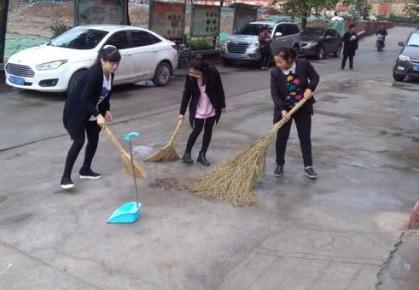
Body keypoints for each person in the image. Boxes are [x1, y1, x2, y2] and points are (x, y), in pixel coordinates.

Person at [61, 45, 121, 189]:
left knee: (94, 138)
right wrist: (97, 115)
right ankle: (65, 177)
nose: (115, 66)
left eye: (117, 63)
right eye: (112, 63)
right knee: (79, 141)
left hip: (91, 110)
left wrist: (106, 110)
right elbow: (84, 99)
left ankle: (85, 169)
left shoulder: (110, 74)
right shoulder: (94, 74)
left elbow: (106, 96)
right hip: (76, 112)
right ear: (103, 61)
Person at [270, 47, 320, 179]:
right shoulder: (275, 73)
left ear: (290, 59)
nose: (278, 65)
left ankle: (308, 166)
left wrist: (310, 88)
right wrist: (282, 109)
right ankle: (279, 164)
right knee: (281, 138)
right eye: (276, 62)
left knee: (304, 137)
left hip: (302, 107)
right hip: (285, 110)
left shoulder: (303, 64)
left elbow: (315, 77)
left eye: (280, 62)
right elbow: (274, 93)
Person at [179, 58, 226, 166]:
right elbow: (186, 94)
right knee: (197, 130)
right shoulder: (190, 76)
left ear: (202, 71)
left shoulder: (213, 72)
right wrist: (181, 113)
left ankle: (202, 154)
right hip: (198, 106)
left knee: (208, 130)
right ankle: (187, 153)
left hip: (211, 105)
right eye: (191, 73)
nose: (193, 75)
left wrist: (223, 105)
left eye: (196, 74)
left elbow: (220, 88)